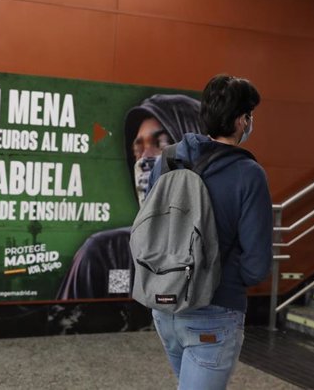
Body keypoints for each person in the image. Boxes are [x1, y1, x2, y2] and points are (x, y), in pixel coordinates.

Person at [149, 74, 272, 389]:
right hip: (214, 314)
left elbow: (150, 224)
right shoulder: (249, 174)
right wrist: (227, 279)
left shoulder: (169, 159)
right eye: (250, 116)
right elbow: (257, 263)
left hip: (165, 304)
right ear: (242, 120)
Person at [57, 94, 202, 300]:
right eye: (138, 149)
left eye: (161, 143)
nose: (144, 160)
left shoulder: (218, 246)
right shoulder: (109, 255)